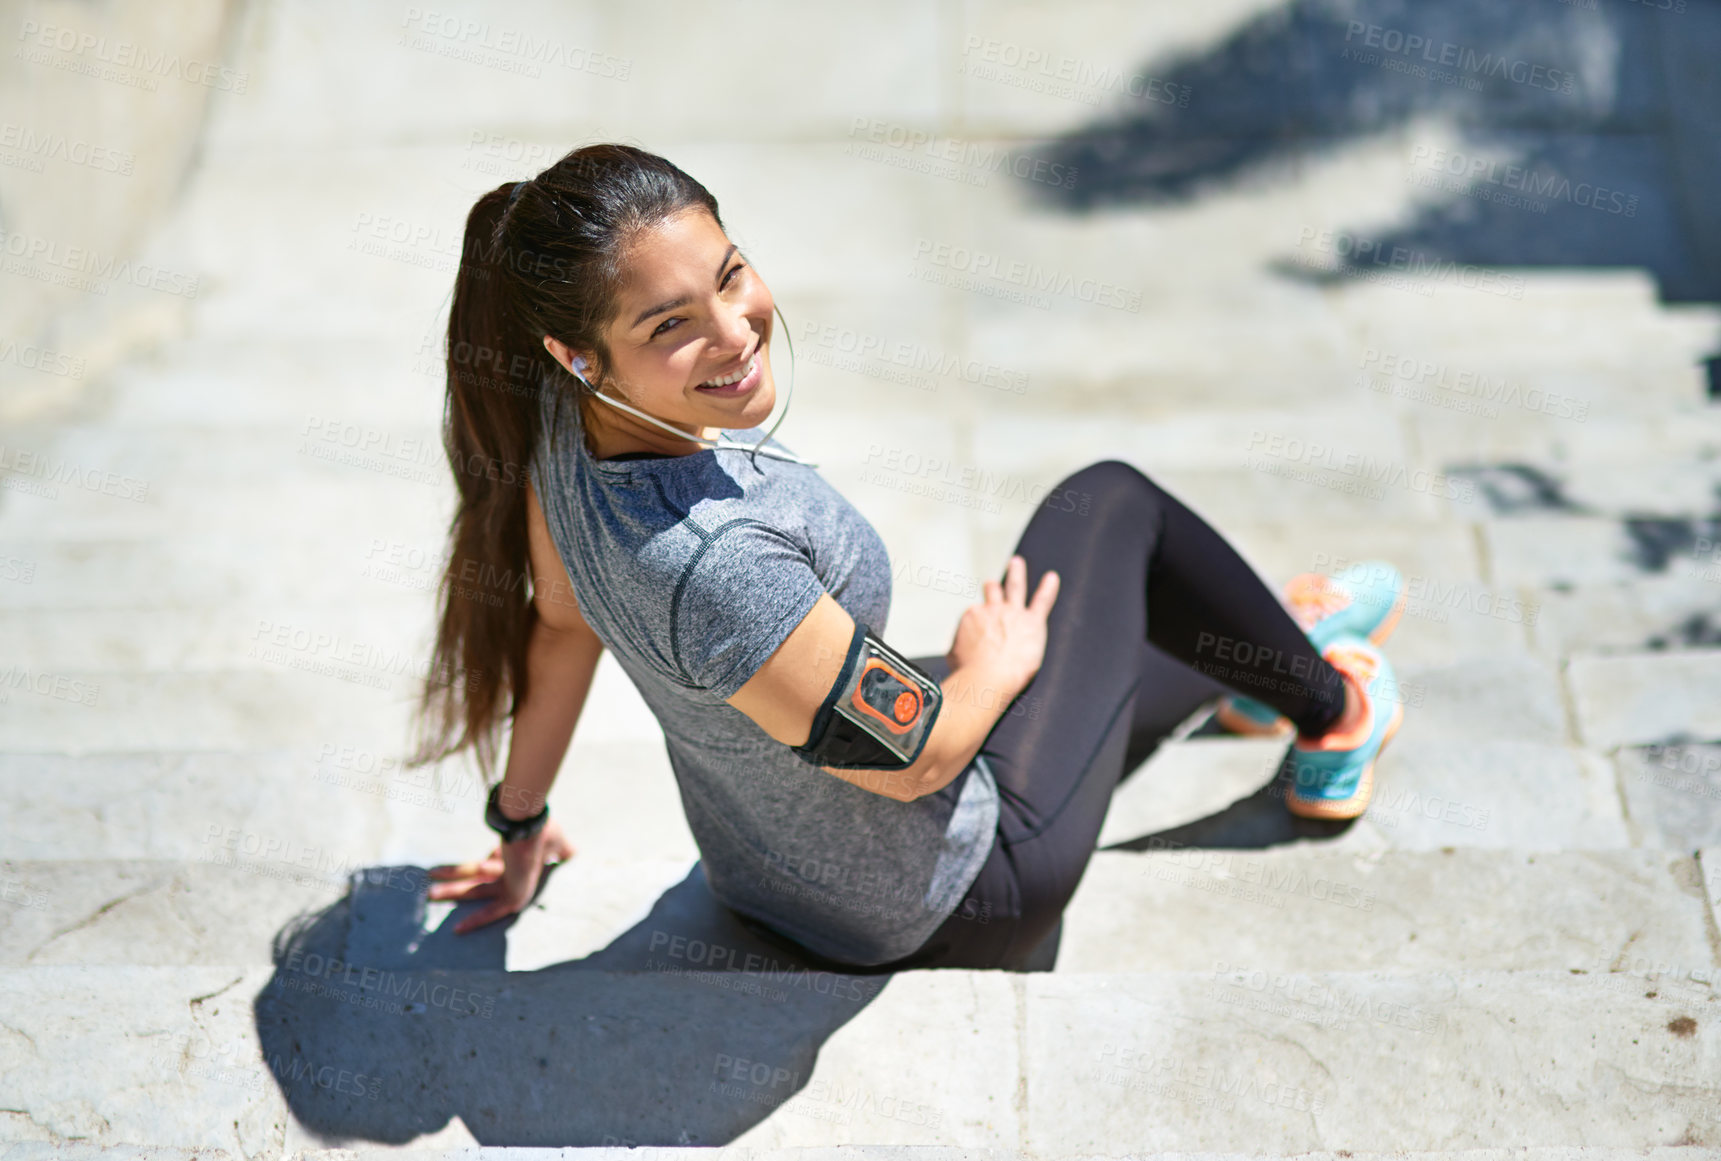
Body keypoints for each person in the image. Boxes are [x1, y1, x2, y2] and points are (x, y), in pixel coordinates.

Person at [411, 143, 1406, 973]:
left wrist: (518, 822)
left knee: (1123, 623)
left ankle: (1257, 664)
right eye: (669, 326)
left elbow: (559, 626)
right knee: (1108, 506)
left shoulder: (562, 423)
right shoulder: (719, 569)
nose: (734, 332)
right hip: (956, 882)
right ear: (577, 353)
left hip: (770, 871)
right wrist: (989, 671)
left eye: (728, 275)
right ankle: (1335, 715)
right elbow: (915, 761)